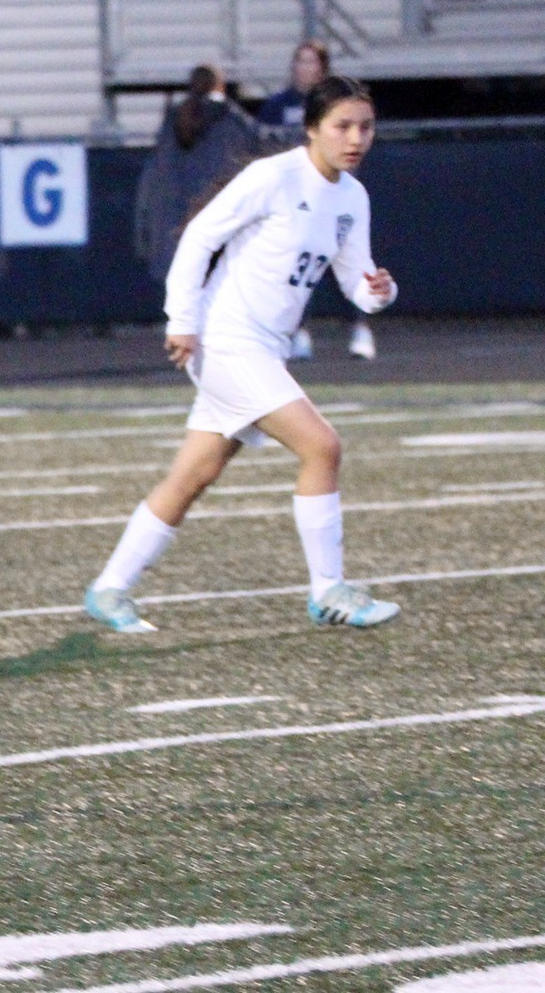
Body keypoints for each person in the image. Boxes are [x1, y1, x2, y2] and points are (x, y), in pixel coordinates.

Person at [86, 76, 400, 634]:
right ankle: (328, 590)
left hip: (264, 350)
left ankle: (110, 589)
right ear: (312, 128)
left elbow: (357, 281)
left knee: (195, 473)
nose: (355, 138)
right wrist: (182, 320)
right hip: (225, 340)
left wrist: (379, 291)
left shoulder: (353, 197)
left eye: (365, 127)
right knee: (322, 446)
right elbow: (198, 237)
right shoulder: (273, 177)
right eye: (342, 126)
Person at [260, 41, 376, 361]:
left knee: (344, 263)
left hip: (328, 196)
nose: (303, 68)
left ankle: (360, 328)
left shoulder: (338, 105)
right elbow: (265, 148)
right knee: (295, 267)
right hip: (292, 200)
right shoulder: (277, 105)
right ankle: (297, 332)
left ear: (322, 68)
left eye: (310, 62)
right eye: (299, 61)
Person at [135, 64, 260, 287]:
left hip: (173, 244)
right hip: (219, 246)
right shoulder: (233, 122)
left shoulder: (172, 125)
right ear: (220, 86)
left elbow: (150, 188)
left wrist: (145, 237)